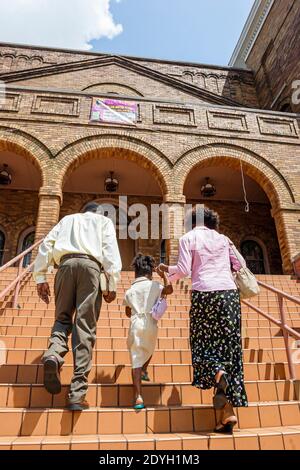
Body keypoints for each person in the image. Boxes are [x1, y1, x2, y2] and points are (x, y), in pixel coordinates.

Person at [158, 206, 248, 433]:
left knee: (202, 345)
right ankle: (227, 414)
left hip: (204, 295)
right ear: (211, 221)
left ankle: (219, 374)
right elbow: (240, 265)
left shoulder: (188, 238)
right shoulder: (224, 238)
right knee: (229, 349)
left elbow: (183, 271)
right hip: (229, 296)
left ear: (190, 222)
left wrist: (165, 270)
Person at [33, 202, 122, 411]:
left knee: (62, 319)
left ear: (83, 211)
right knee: (85, 327)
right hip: (91, 268)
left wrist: (40, 277)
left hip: (64, 266)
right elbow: (110, 252)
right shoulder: (104, 221)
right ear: (98, 212)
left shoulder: (67, 219)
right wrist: (111, 284)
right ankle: (77, 393)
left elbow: (46, 245)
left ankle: (54, 353)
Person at [124, 254, 173, 410]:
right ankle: (145, 369)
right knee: (149, 348)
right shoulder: (155, 286)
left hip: (136, 323)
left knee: (135, 359)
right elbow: (169, 289)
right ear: (150, 272)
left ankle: (138, 396)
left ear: (136, 272)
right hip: (151, 324)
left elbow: (127, 311)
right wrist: (164, 276)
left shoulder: (130, 290)